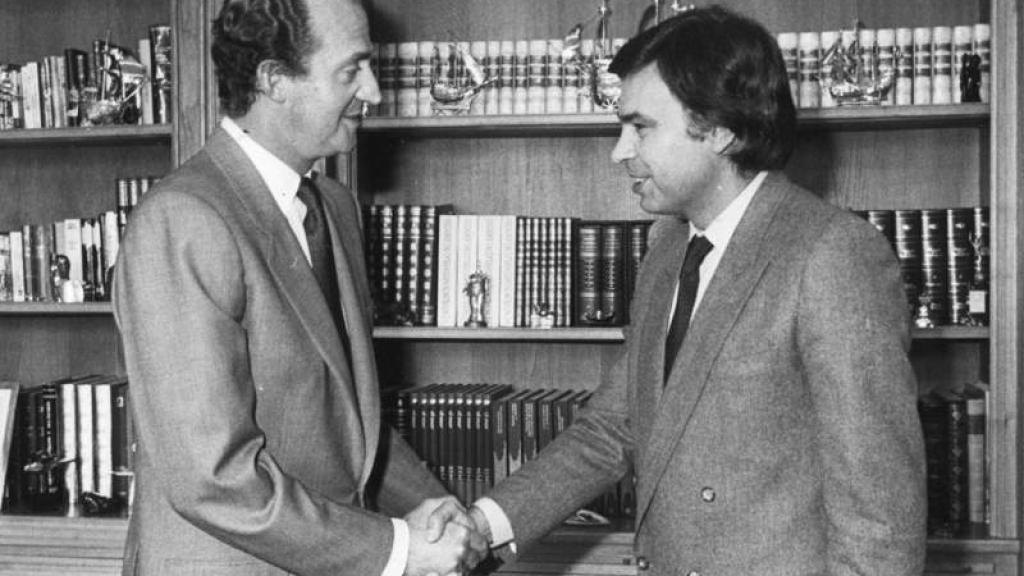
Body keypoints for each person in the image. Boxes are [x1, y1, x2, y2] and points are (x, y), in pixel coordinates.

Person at [456, 6, 927, 575]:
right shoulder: (666, 251)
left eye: (641, 127)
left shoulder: (831, 252)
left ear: (721, 130)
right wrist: (483, 525)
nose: (619, 150)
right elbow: (611, 428)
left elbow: (880, 519)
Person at [113, 0, 484, 574]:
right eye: (351, 69)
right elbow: (211, 477)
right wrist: (399, 548)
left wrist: (448, 518)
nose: (374, 92)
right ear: (274, 80)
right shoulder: (185, 218)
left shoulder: (333, 207)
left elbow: (350, 425)